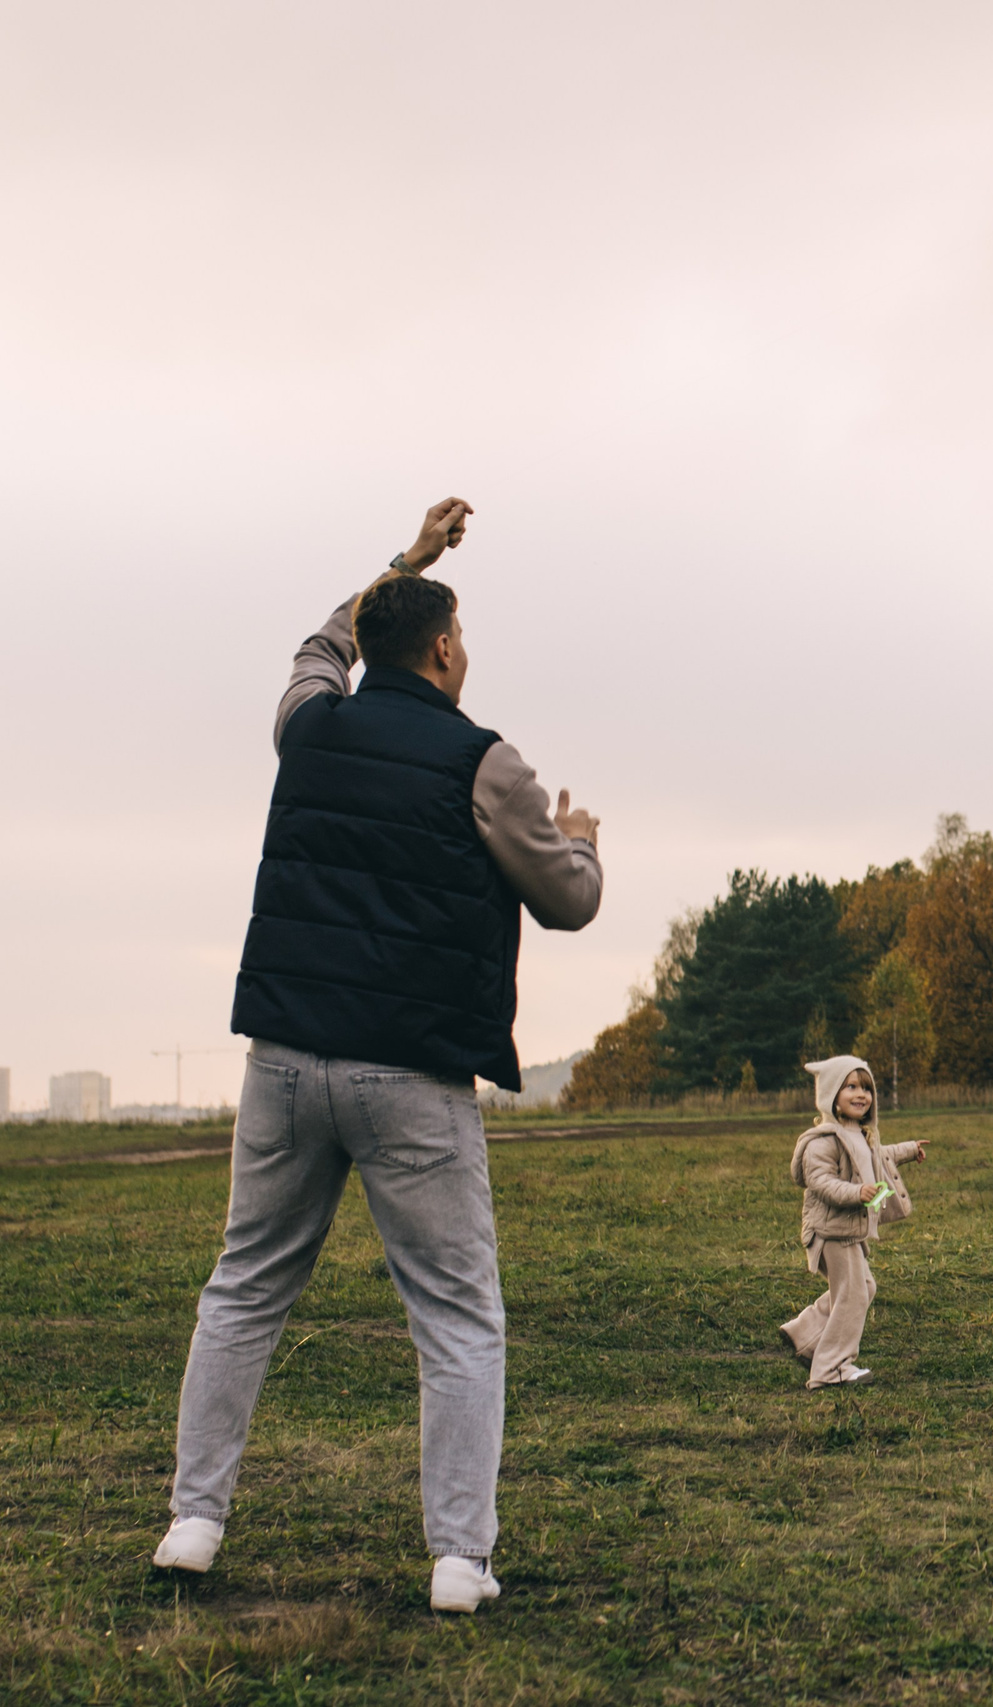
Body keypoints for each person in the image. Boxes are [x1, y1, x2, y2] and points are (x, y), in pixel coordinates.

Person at [152, 499, 604, 1614]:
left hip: (284, 1062)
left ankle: (192, 1524)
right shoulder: (485, 762)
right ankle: (459, 1559)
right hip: (410, 1078)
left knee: (244, 1290)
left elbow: (318, 645)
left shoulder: (309, 722)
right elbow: (569, 904)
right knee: (454, 1317)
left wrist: (403, 562)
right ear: (445, 648)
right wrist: (582, 840)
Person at [782, 1055, 927, 1388]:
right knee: (852, 1295)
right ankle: (832, 1369)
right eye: (851, 1087)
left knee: (863, 1287)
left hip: (848, 1230)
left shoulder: (860, 1134)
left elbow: (880, 1156)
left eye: (866, 1088)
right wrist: (855, 1192)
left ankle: (805, 1334)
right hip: (831, 1231)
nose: (861, 1094)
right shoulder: (823, 1140)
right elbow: (820, 1181)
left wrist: (909, 1149)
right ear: (832, 1095)